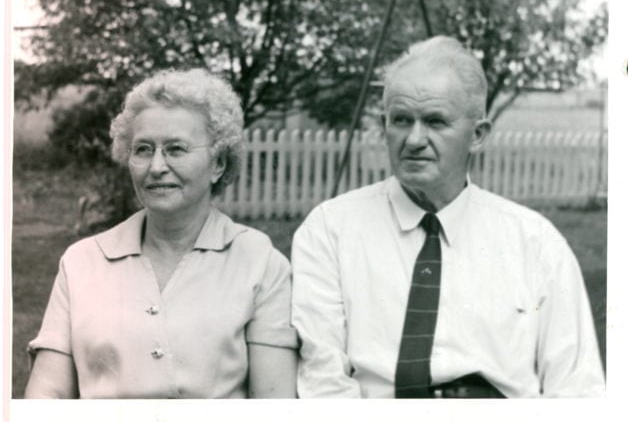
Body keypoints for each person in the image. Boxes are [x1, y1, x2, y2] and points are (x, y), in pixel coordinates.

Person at [291, 36, 605, 398]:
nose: (414, 139)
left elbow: (576, 388)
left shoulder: (536, 242)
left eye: (435, 122)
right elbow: (323, 380)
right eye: (401, 120)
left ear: (478, 135)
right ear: (384, 124)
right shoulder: (330, 230)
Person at [25, 69, 298, 398]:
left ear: (219, 164)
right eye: (142, 150)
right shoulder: (82, 261)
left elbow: (274, 405)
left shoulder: (260, 262)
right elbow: (45, 396)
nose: (156, 167)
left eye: (176, 149)